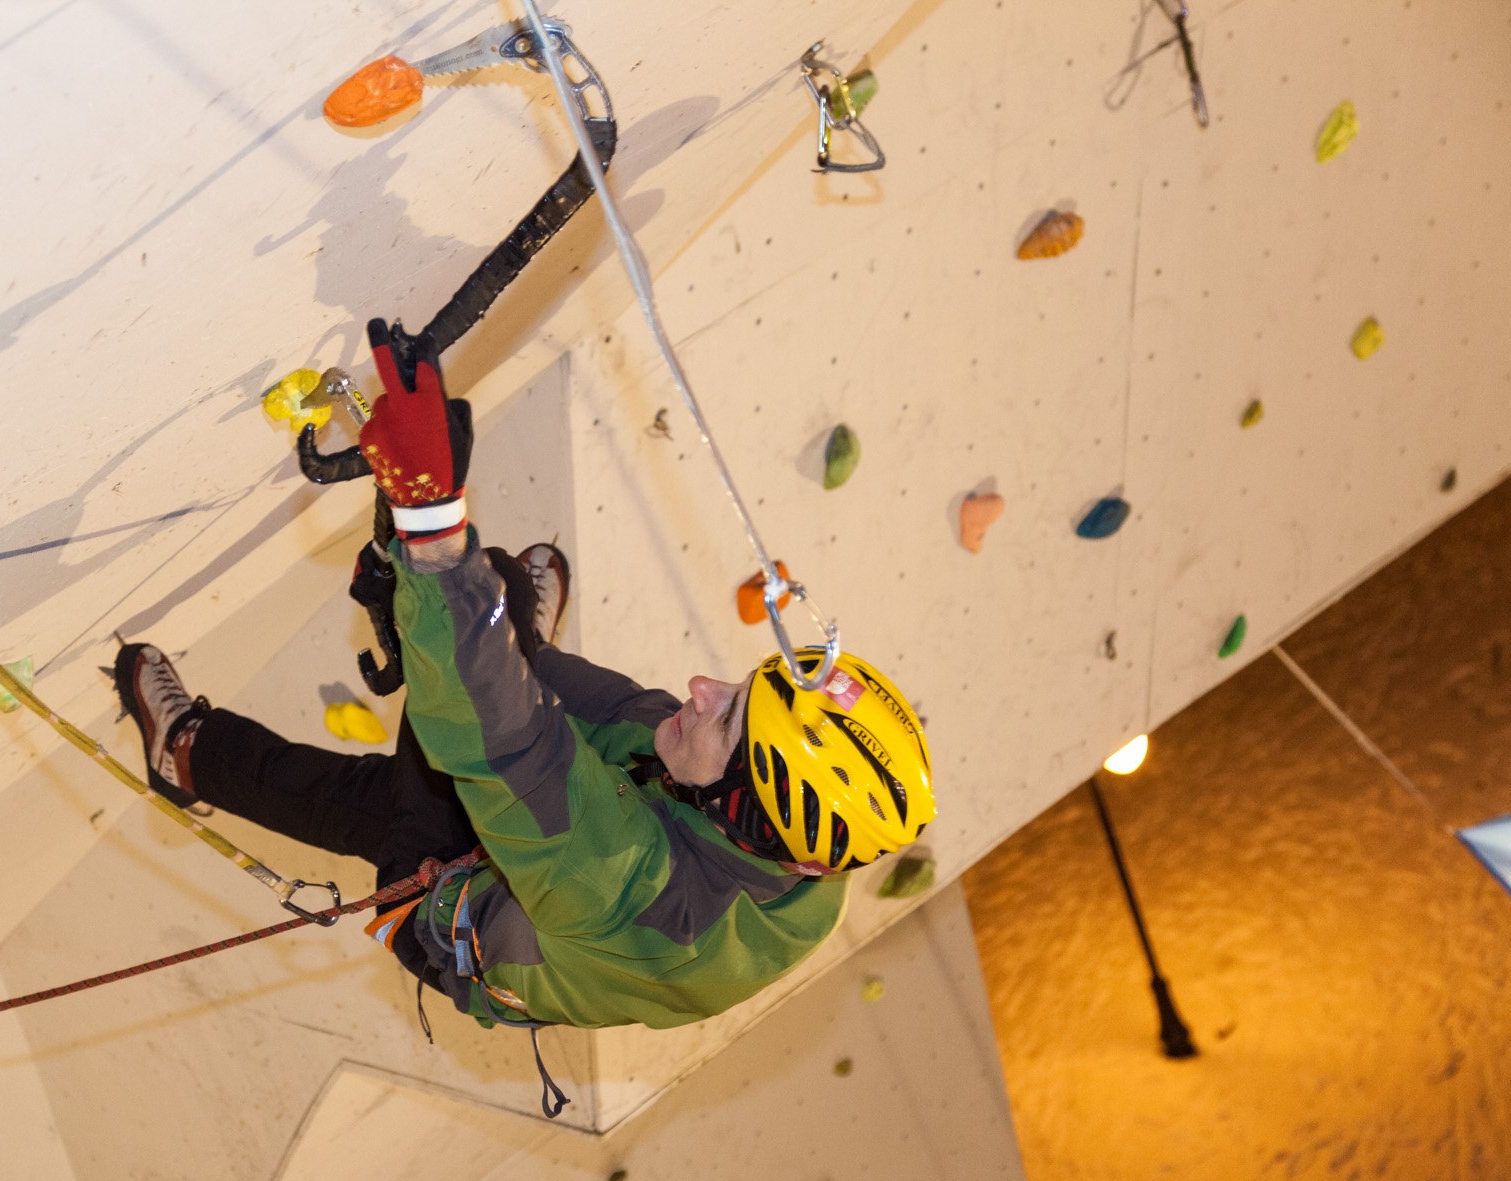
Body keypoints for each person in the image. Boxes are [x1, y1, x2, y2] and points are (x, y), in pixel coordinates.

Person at [114, 320, 936, 1048]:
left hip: (449, 909)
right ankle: (480, 626)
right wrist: (470, 612)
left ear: (745, 809)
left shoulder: (638, 896)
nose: (703, 686)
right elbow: (580, 730)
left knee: (419, 773)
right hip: (612, 844)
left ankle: (186, 753)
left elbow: (513, 751)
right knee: (493, 630)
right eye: (738, 689)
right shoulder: (806, 850)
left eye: (726, 720)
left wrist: (431, 528)